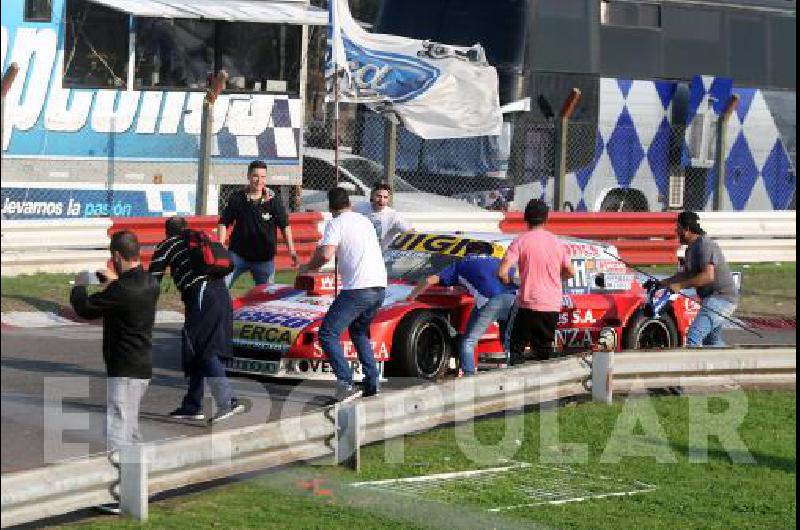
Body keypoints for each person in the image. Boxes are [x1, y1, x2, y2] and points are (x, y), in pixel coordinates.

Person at [70, 231, 160, 514]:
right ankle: (139, 488)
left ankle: (123, 497)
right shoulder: (151, 282)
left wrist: (79, 285)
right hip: (142, 367)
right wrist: (112, 280)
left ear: (117, 257)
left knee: (118, 434)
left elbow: (85, 309)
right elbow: (125, 288)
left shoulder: (121, 291)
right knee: (131, 431)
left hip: (124, 370)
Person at [150, 217, 245, 424]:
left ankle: (227, 401)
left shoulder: (167, 245)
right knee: (195, 346)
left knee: (202, 347)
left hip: (202, 293)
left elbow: (152, 281)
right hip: (221, 292)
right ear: (186, 229)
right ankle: (192, 405)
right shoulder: (199, 240)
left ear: (167, 233)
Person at [299, 187, 387, 401]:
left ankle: (346, 383)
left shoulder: (335, 223)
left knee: (328, 333)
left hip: (358, 288)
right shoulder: (364, 220)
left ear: (331, 208)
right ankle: (372, 382)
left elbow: (327, 253)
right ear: (350, 204)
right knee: (359, 332)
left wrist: (308, 268)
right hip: (380, 286)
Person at [406, 241, 516, 376]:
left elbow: (429, 280)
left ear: (466, 253)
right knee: (509, 340)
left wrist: (410, 298)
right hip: (514, 299)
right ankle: (515, 370)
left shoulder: (462, 264)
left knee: (468, 342)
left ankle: (470, 376)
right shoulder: (499, 260)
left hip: (490, 301)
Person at [497, 199, 575, 365]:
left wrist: (511, 281)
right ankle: (542, 386)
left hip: (528, 303)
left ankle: (515, 384)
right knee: (543, 350)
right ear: (546, 219)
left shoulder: (520, 241)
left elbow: (502, 272)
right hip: (552, 305)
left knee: (515, 348)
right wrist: (553, 277)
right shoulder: (557, 242)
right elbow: (570, 272)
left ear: (525, 218)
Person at [660, 211, 738, 346]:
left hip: (721, 299)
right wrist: (663, 283)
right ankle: (730, 362)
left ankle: (692, 366)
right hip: (713, 299)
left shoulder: (704, 245)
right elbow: (686, 275)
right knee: (712, 341)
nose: (676, 231)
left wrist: (679, 286)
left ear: (687, 229)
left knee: (693, 337)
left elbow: (708, 276)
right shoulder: (690, 249)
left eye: (678, 227)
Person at [218, 160, 299, 288]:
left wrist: (292, 251)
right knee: (219, 288)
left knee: (266, 298)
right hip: (238, 256)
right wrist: (220, 246)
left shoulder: (273, 200)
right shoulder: (237, 198)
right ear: (249, 176)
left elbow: (285, 226)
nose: (259, 180)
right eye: (256, 176)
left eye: (263, 177)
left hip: (264, 260)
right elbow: (223, 222)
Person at [353, 182, 413, 250]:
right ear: (372, 195)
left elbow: (410, 233)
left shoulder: (393, 215)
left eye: (385, 197)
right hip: (361, 251)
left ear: (389, 199)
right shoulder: (359, 207)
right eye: (379, 196)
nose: (381, 200)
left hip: (382, 255)